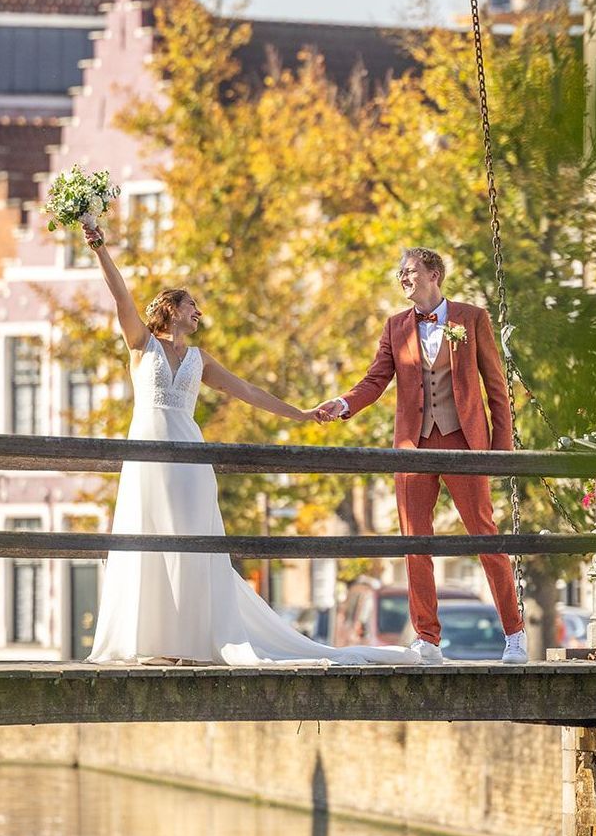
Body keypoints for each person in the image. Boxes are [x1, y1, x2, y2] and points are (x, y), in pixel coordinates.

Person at [84, 227, 418, 666]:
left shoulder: (200, 360)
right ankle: (155, 641)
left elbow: (249, 392)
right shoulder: (141, 345)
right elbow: (119, 294)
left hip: (188, 452)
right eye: (191, 306)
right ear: (171, 310)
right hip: (147, 449)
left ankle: (191, 641)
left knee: (192, 540)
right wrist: (98, 247)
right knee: (150, 536)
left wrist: (299, 414)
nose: (198, 312)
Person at [317, 247, 527, 665]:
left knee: (486, 536)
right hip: (413, 446)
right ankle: (428, 640)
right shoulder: (395, 327)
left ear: (434, 274)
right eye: (400, 273)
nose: (403, 278)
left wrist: (501, 453)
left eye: (410, 271)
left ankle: (515, 634)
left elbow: (496, 389)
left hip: (464, 442)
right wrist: (343, 403)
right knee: (416, 542)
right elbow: (375, 379)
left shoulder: (472, 318)